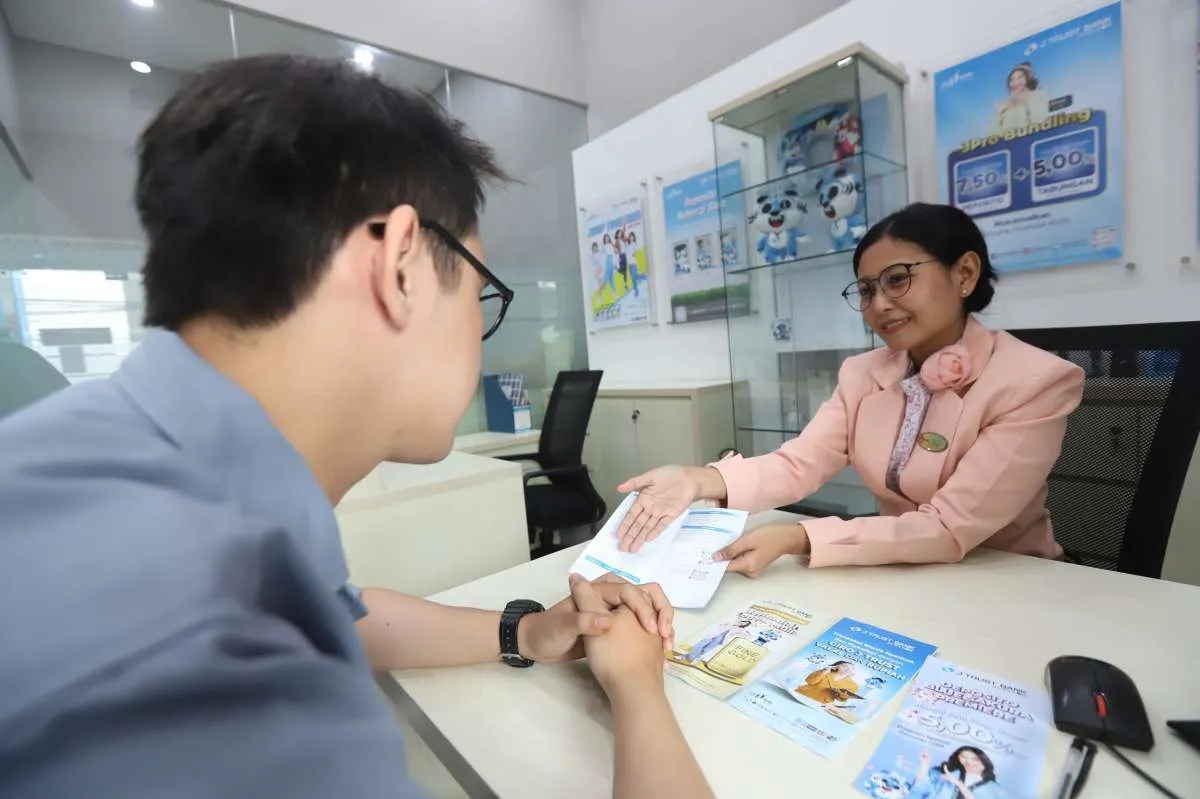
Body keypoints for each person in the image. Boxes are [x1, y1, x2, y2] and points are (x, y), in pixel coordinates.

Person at [0, 55, 711, 799]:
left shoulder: (123, 460)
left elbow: (347, 607)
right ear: (401, 263)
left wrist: (530, 630)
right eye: (479, 291)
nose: (479, 327)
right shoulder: (222, 661)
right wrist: (636, 686)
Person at [616, 202, 1084, 575]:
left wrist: (801, 537)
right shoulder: (863, 374)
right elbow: (799, 464)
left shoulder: (1034, 382)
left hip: (1007, 581)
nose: (879, 304)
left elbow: (946, 528)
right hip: (898, 570)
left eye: (897, 280)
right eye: (865, 290)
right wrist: (699, 479)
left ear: (964, 273)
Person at [914, 747, 1006, 799]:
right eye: (964, 757)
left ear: (984, 761)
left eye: (975, 759)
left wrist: (958, 784)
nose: (968, 762)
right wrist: (924, 764)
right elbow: (919, 788)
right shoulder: (947, 773)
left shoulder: (993, 788)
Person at [992, 62, 1049, 135]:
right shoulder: (1004, 106)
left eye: (1020, 78)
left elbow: (1040, 123)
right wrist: (998, 115)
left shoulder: (1038, 95)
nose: (1016, 82)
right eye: (1012, 80)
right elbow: (992, 137)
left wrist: (1025, 104)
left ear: (1027, 80)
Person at [794, 660, 860, 705]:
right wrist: (824, 671)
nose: (848, 669)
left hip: (820, 702)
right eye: (845, 666)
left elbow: (841, 699)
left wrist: (840, 693)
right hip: (801, 694)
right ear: (837, 666)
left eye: (851, 668)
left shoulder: (853, 685)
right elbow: (809, 681)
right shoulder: (824, 671)